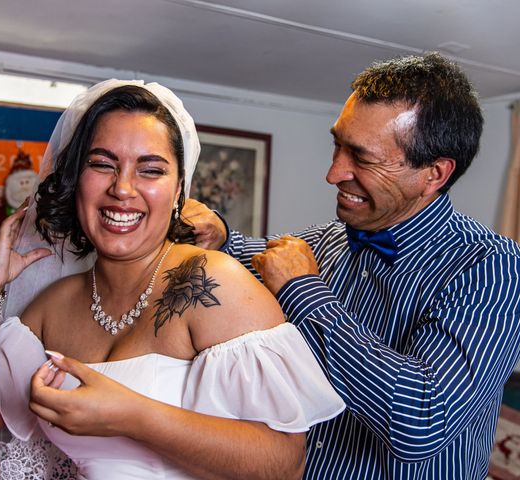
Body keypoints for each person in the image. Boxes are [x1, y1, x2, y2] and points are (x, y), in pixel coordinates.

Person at [0, 79, 344, 479]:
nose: (123, 188)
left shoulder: (214, 283)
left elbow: (282, 464)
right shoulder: (54, 305)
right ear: (75, 179)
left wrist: (130, 415)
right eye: (101, 164)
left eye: (150, 170)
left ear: (179, 191)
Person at [185, 53, 520, 479]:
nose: (333, 173)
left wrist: (304, 292)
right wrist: (222, 237)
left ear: (433, 174)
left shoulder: (494, 268)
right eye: (337, 145)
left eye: (361, 158)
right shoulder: (331, 237)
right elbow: (266, 259)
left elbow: (419, 420)